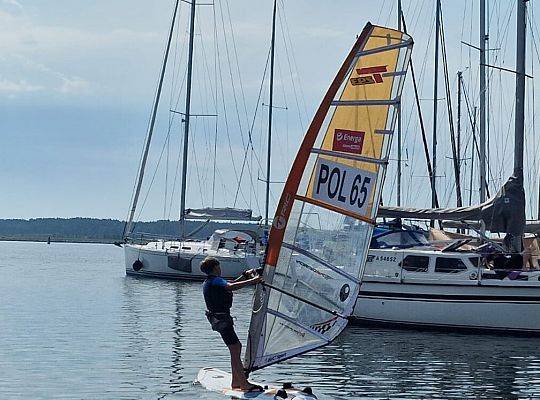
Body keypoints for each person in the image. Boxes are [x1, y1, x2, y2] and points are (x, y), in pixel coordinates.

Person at [201, 257, 263, 391]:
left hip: (219, 321)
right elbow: (231, 286)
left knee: (236, 348)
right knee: (235, 349)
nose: (220, 268)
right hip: (222, 321)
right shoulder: (216, 280)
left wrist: (245, 275)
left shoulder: (210, 281)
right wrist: (254, 280)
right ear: (216, 267)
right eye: (219, 266)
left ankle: (236, 382)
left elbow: (230, 285)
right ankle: (244, 384)